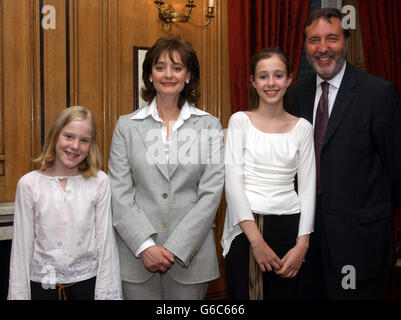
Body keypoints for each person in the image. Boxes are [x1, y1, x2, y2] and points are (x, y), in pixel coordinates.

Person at [289, 8, 401, 300]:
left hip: (361, 245)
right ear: (305, 46)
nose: (323, 48)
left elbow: (396, 171)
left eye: (332, 38)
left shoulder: (378, 93)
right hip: (307, 243)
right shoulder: (295, 96)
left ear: (346, 42)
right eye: (314, 40)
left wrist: (368, 216)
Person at [108, 35, 224, 300]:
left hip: (191, 258)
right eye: (160, 67)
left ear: (188, 75)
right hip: (136, 257)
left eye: (177, 67)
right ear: (149, 75)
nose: (168, 74)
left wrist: (174, 247)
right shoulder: (126, 126)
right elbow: (119, 193)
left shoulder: (209, 126)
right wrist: (146, 246)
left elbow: (211, 193)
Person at [221, 47, 316, 300]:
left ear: (289, 79)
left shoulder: (303, 128)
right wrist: (257, 243)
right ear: (252, 82)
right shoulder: (239, 121)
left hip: (291, 229)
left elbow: (307, 190)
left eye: (278, 75)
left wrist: (302, 245)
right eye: (263, 76)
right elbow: (232, 186)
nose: (271, 83)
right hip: (247, 229)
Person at [7, 106, 122, 300]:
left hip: (87, 285)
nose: (75, 146)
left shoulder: (99, 182)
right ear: (54, 136)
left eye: (84, 140)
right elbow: (21, 249)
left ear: (91, 145)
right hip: (42, 287)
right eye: (68, 136)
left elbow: (106, 245)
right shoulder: (29, 184)